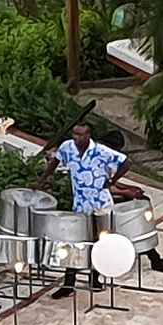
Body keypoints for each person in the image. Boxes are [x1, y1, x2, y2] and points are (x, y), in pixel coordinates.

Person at [35, 122, 131, 299]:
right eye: (75, 134)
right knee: (74, 242)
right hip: (80, 205)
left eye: (80, 135)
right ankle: (68, 284)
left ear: (88, 135)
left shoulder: (101, 151)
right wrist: (45, 178)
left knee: (99, 242)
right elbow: (56, 159)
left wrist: (112, 181)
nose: (76, 137)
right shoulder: (67, 147)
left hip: (100, 205)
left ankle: (95, 278)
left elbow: (126, 162)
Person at [98, 131, 163, 274]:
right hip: (97, 203)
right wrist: (125, 193)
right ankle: (152, 256)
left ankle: (153, 255)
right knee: (134, 215)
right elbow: (100, 188)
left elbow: (108, 182)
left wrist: (129, 188)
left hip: (104, 197)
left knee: (141, 201)